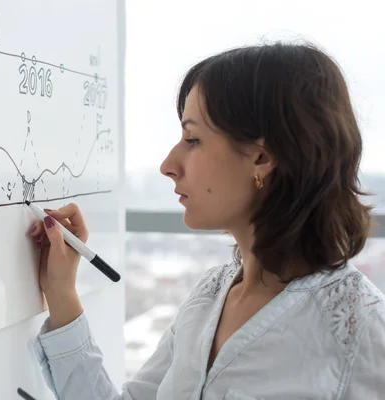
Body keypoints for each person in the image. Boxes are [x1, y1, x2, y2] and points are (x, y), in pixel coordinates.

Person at [26, 42, 385, 399]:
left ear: (262, 157)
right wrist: (60, 292)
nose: (168, 165)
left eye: (193, 139)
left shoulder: (362, 332)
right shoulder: (208, 297)